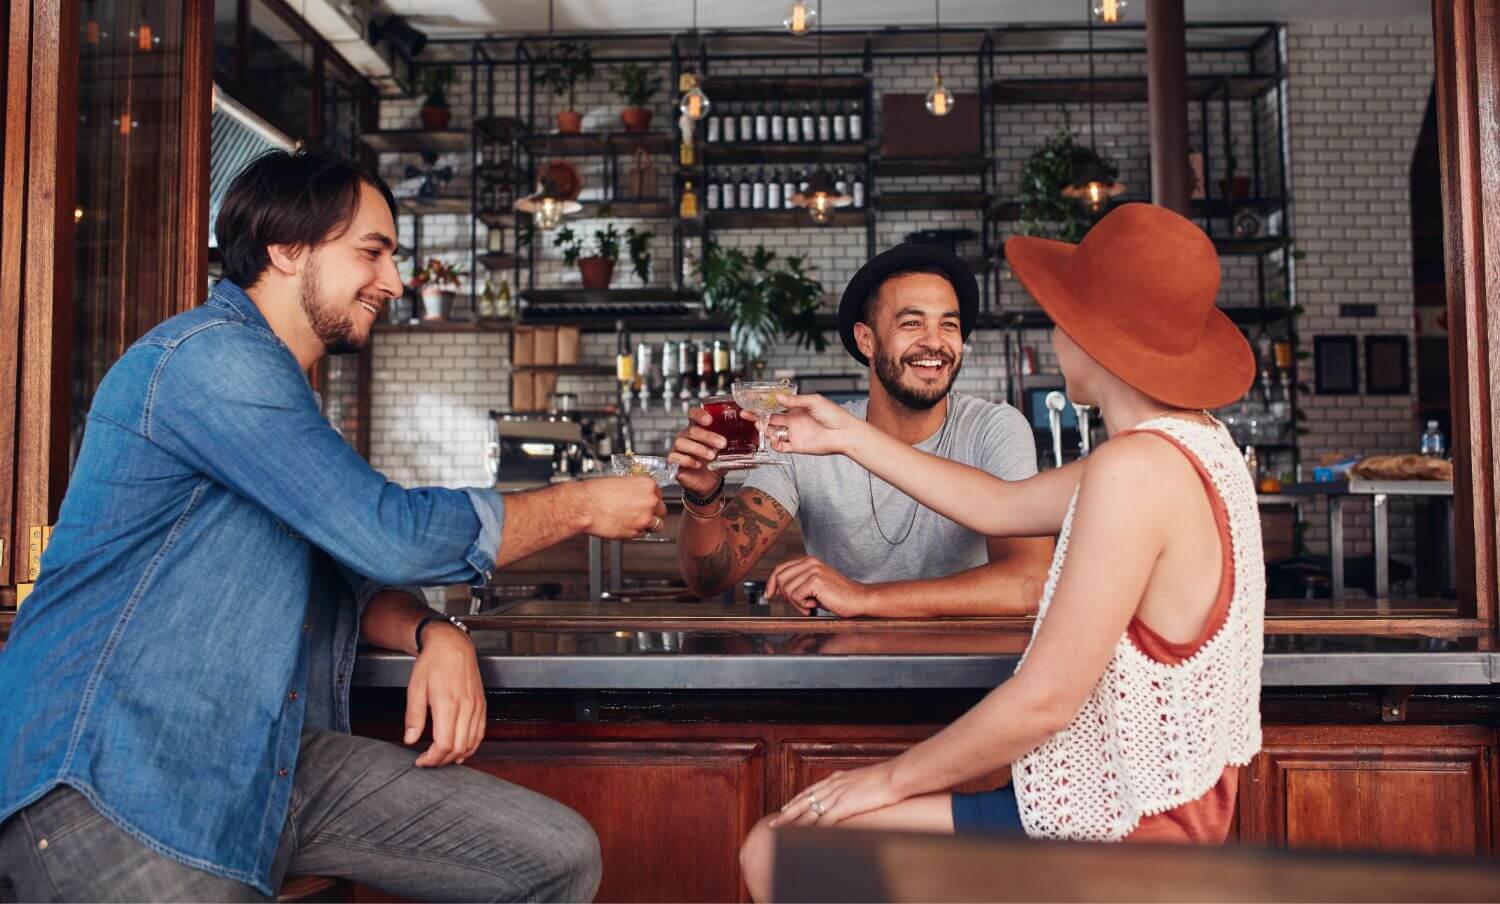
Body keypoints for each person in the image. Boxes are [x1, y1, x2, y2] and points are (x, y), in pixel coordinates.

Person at [0, 149, 664, 901]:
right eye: (372, 253)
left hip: (261, 760)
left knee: (552, 855)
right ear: (286, 249)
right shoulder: (210, 362)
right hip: (119, 775)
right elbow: (390, 534)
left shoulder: (277, 387)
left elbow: (347, 571)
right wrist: (582, 503)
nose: (394, 281)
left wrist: (431, 633)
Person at [739, 203, 1266, 901]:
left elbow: (1045, 700)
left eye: (1060, 315)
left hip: (1115, 833)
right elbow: (999, 504)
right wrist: (841, 432)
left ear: (1090, 336)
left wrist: (879, 780)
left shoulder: (1132, 471)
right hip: (1156, 816)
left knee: (780, 850)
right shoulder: (1197, 449)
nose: (1054, 335)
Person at [669, 244, 1053, 617]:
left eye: (948, 325)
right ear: (866, 340)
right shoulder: (809, 436)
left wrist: (864, 598)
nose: (935, 341)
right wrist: (703, 498)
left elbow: (1029, 583)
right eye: (912, 322)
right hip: (841, 671)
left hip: (966, 671)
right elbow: (710, 578)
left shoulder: (993, 428)